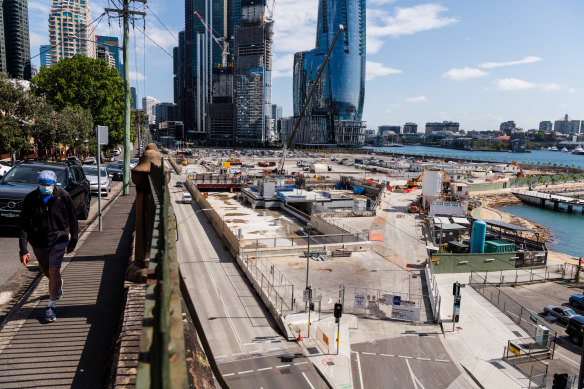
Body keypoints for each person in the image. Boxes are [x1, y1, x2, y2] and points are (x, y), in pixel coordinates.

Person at [19, 170, 78, 323]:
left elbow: (73, 219)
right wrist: (23, 249)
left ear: (54, 185)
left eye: (48, 184)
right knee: (45, 269)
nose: (45, 187)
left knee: (54, 269)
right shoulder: (31, 198)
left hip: (59, 238)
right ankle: (58, 283)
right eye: (42, 184)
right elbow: (24, 225)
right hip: (38, 241)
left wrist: (74, 240)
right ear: (38, 184)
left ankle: (51, 306)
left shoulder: (63, 196)